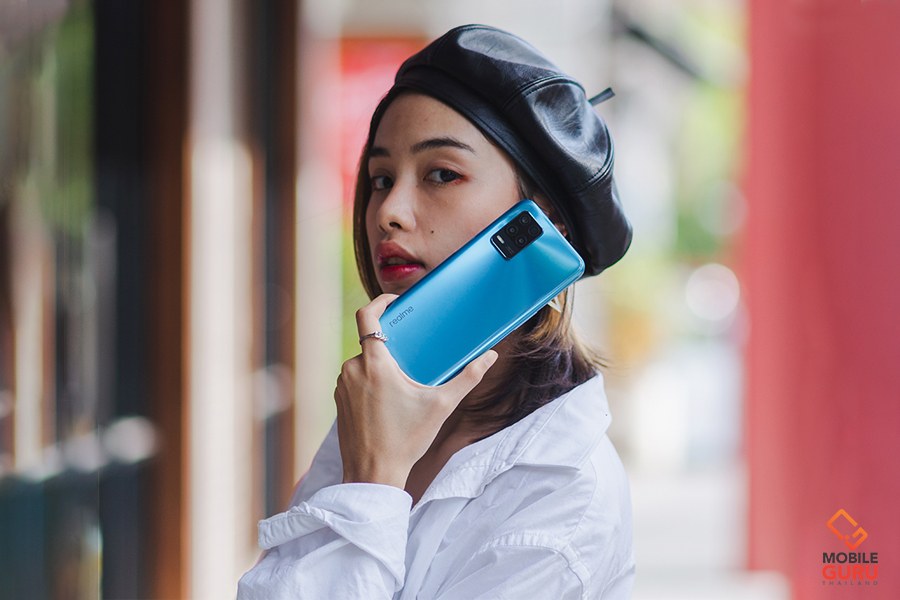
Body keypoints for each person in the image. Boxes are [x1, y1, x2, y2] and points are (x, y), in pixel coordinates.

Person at [238, 24, 634, 599]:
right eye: (380, 179)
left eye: (442, 175)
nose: (388, 212)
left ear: (545, 225)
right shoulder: (388, 404)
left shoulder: (562, 505)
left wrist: (373, 484)